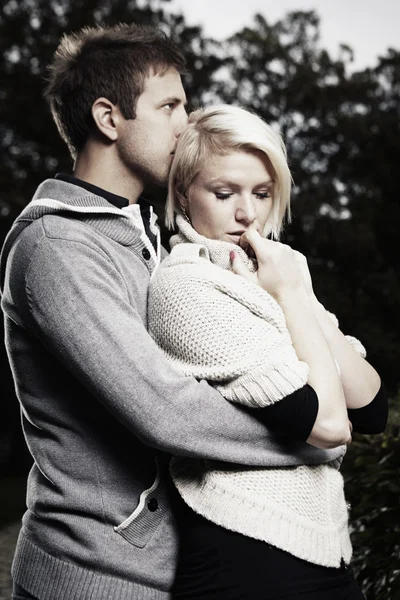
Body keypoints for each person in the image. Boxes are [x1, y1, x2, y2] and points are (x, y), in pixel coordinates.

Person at [0, 24, 352, 600]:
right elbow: (166, 410)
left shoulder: (146, 238)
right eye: (170, 106)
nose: (188, 123)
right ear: (109, 119)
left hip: (170, 567)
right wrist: (311, 434)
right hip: (96, 575)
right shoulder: (58, 246)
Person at [148, 105, 388, 599]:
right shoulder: (185, 287)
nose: (247, 214)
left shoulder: (270, 277)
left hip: (325, 554)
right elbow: (329, 426)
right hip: (244, 560)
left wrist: (295, 295)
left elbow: (370, 408)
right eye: (224, 193)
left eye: (260, 193)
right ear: (182, 194)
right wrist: (298, 297)